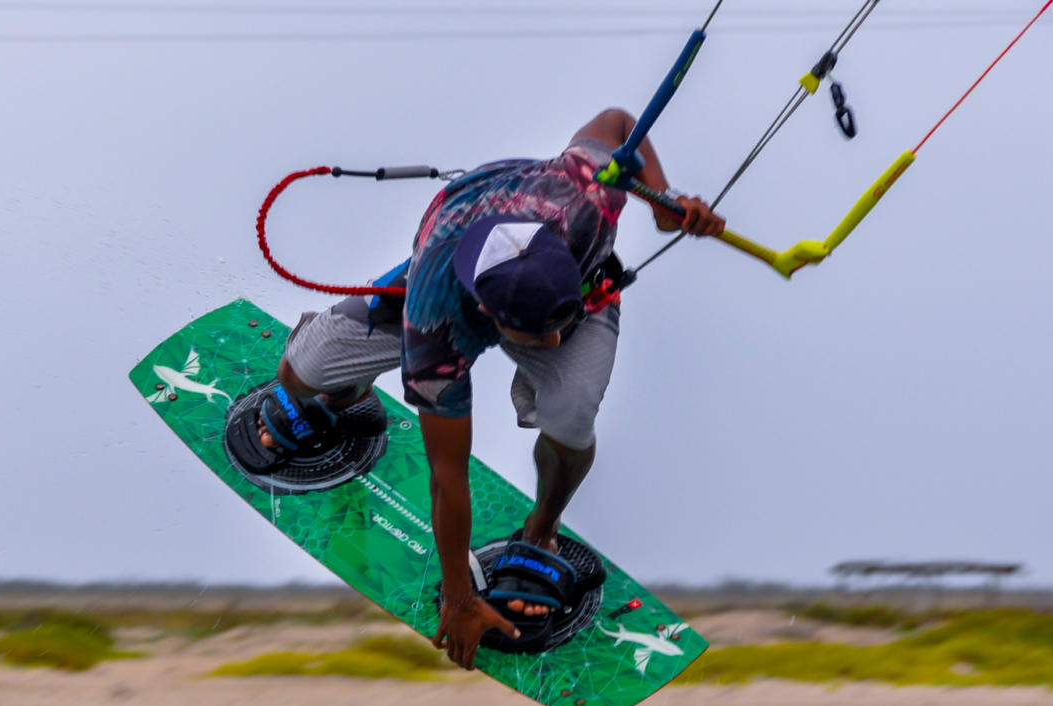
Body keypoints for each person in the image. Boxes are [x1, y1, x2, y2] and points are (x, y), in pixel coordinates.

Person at [243, 108, 724, 669]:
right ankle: (343, 396)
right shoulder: (435, 326)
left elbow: (618, 123)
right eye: (537, 335)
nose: (550, 343)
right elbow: (448, 475)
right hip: (444, 274)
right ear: (488, 315)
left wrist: (667, 201)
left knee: (571, 415)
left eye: (553, 327)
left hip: (582, 294)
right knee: (300, 373)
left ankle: (541, 530)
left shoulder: (584, 195)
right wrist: (460, 597)